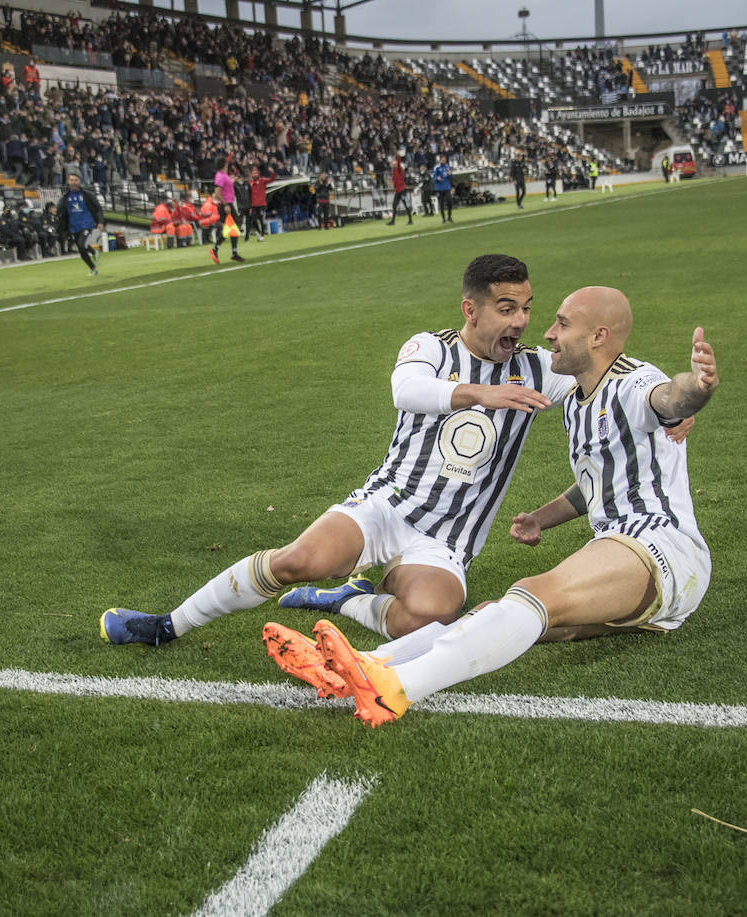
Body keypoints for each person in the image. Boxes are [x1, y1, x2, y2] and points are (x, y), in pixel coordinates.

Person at [281, 286, 720, 726]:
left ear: (598, 337)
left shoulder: (631, 382)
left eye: (563, 324)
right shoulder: (579, 400)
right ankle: (360, 663)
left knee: (531, 593)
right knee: (496, 617)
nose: (547, 333)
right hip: (637, 564)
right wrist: (541, 519)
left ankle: (395, 688)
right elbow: (600, 483)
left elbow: (668, 397)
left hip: (660, 545)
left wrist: (695, 392)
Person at [100, 255, 575, 653]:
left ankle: (345, 600)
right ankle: (167, 625)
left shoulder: (533, 370)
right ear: (471, 310)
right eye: (507, 308)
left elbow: (601, 382)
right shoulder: (430, 346)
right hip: (388, 505)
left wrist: (653, 398)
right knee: (298, 560)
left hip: (449, 537)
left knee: (431, 620)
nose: (520, 321)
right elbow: (406, 390)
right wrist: (478, 394)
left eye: (527, 308)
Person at [55, 172, 104, 275]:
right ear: (68, 182)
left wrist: (100, 221)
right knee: (82, 252)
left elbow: (98, 209)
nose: (73, 182)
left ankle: (95, 252)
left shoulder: (87, 195)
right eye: (71, 180)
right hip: (74, 228)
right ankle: (93, 269)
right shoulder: (65, 198)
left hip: (87, 225)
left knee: (83, 244)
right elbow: (61, 212)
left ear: (79, 182)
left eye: (75, 180)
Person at [209, 153, 243, 263]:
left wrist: (229, 158)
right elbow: (217, 193)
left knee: (233, 229)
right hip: (226, 205)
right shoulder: (220, 176)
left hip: (228, 204)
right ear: (223, 164)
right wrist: (225, 204)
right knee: (230, 229)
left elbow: (227, 164)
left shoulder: (224, 174)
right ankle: (217, 249)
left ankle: (233, 252)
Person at [387, 154, 414, 225]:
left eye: (394, 163)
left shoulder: (399, 169)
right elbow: (394, 181)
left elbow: (398, 163)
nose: (393, 164)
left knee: (406, 205)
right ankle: (393, 221)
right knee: (394, 205)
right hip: (398, 191)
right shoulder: (393, 171)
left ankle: (410, 220)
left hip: (402, 190)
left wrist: (398, 156)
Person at [246, 165, 270, 242]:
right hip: (253, 205)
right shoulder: (250, 183)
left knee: (261, 219)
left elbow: (271, 179)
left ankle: (262, 234)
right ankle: (259, 233)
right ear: (251, 175)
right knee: (253, 219)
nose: (255, 174)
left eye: (256, 173)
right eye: (253, 173)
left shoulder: (262, 181)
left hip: (261, 204)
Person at [432, 154, 454, 222]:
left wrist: (450, 174)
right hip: (439, 188)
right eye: (442, 159)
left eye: (445, 159)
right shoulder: (437, 167)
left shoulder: (448, 166)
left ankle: (449, 216)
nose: (444, 160)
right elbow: (434, 177)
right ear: (440, 159)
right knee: (441, 203)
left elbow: (451, 177)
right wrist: (437, 178)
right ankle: (443, 218)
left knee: (450, 200)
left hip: (447, 186)